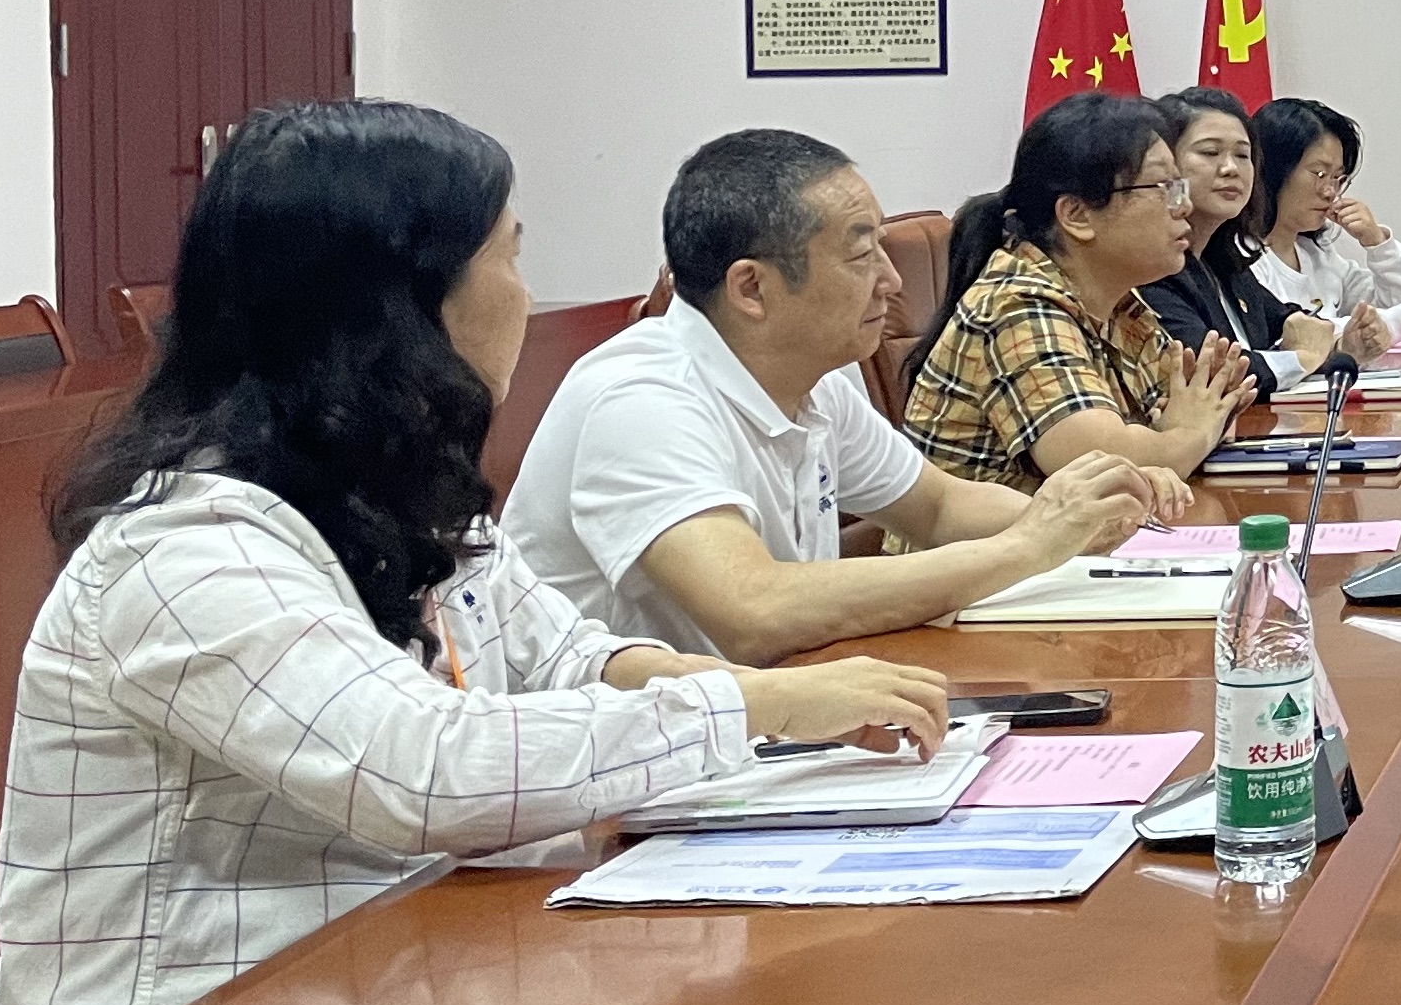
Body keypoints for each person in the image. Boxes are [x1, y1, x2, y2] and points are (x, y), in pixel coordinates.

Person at [0, 101, 950, 1005]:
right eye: (510, 257)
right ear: (406, 305)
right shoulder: (189, 548)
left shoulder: (393, 487)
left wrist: (758, 700)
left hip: (391, 986)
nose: (526, 296)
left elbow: (570, 655)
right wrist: (749, 708)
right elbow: (421, 772)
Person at [504, 128, 1184, 662]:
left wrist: (1086, 517)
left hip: (766, 718)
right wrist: (1028, 546)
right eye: (861, 256)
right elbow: (751, 609)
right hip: (629, 770)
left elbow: (939, 506)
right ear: (752, 288)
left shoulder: (815, 379)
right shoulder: (642, 399)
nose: (892, 281)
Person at [903, 93, 1260, 488]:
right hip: (996, 530)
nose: (1184, 206)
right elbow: (1110, 467)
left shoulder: (1121, 304)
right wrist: (1193, 433)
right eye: (1164, 187)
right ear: (1077, 215)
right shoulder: (1018, 305)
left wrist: (1194, 424)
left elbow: (1187, 415)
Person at [1146, 87, 1345, 396]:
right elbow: (1212, 370)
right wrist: (1301, 359)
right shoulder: (1151, 267)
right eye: (1210, 153)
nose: (1231, 168)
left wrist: (1317, 337)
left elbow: (1292, 320)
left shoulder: (1223, 259)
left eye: (1242, 155)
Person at [1241, 97, 1401, 364]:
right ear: (1272, 170)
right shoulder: (1243, 257)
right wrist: (1397, 319)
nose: (1330, 192)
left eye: (1338, 177)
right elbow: (1297, 338)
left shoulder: (1316, 253)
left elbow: (1393, 305)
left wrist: (1377, 243)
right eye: (1320, 174)